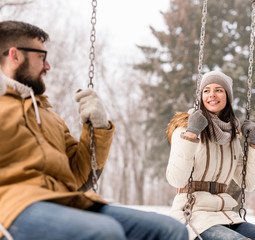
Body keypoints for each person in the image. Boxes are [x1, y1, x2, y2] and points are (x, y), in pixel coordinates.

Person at [0, 20, 188, 240]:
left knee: (170, 230)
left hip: (66, 201)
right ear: (15, 55)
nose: (48, 66)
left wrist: (97, 127)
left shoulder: (48, 116)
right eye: (41, 57)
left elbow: (80, 176)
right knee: (104, 232)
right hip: (13, 206)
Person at [166, 71, 255, 240]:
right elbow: (176, 180)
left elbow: (247, 183)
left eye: (219, 90)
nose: (212, 95)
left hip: (226, 214)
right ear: (200, 96)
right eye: (206, 90)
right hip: (193, 214)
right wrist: (192, 134)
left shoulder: (232, 138)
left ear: (228, 96)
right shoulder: (185, 130)